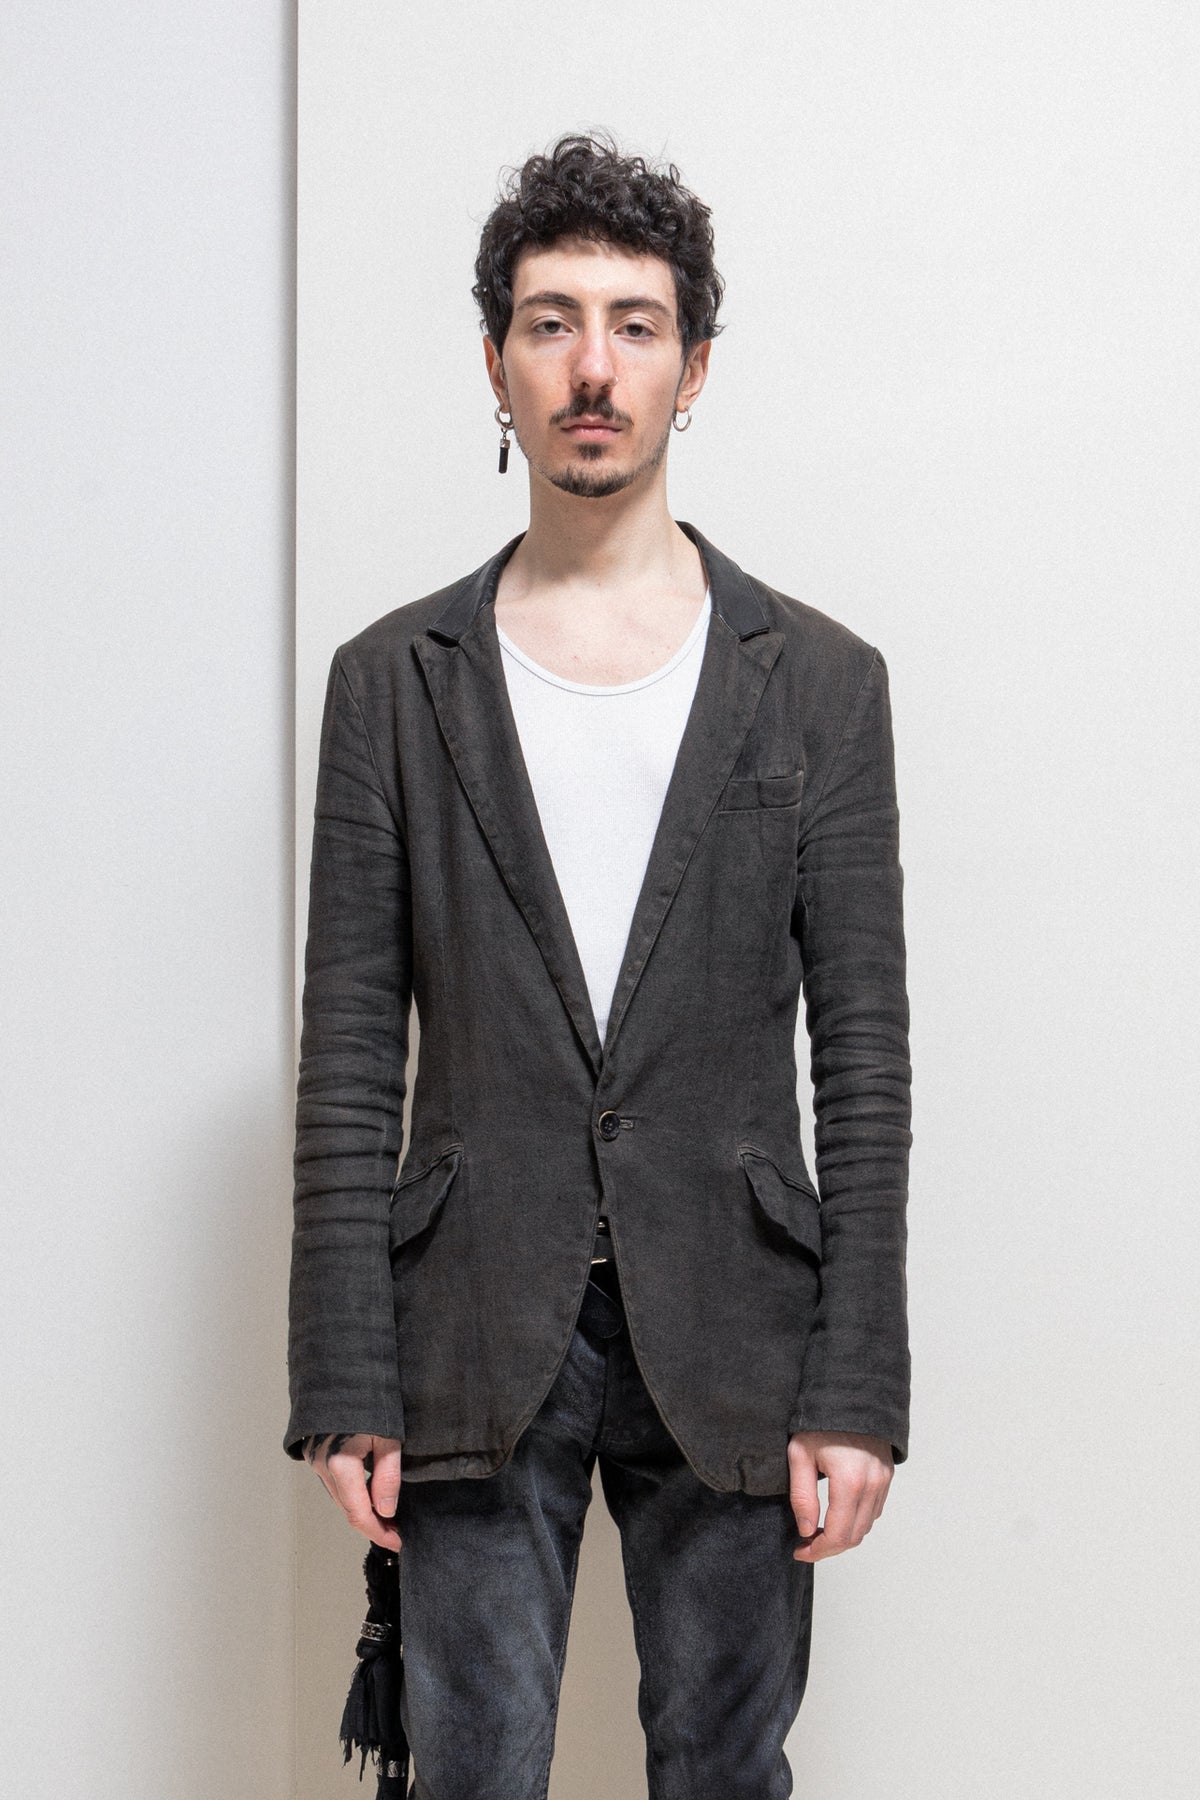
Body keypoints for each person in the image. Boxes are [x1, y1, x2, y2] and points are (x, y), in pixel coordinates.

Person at [284, 130, 912, 1800]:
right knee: (472, 1773)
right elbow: (349, 1051)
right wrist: (345, 1375)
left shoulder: (820, 682)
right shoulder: (391, 684)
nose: (591, 367)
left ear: (692, 369)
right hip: (474, 1318)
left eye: (635, 325)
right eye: (551, 321)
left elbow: (864, 1059)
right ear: (495, 359)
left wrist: (858, 1383)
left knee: (724, 1771)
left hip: (740, 1317)